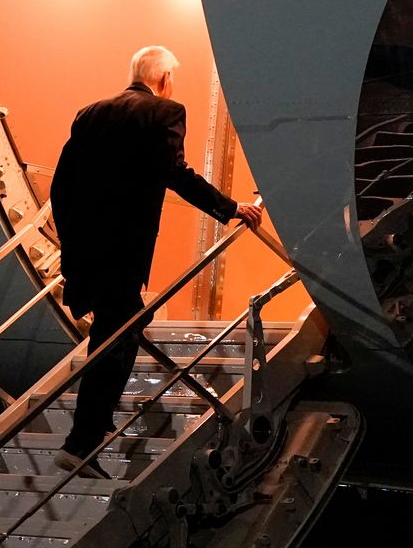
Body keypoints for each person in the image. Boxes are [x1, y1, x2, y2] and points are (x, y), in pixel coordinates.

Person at [50, 45, 262, 479]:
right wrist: (231, 207)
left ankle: (92, 431)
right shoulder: (165, 111)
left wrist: (71, 243)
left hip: (84, 249)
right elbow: (177, 174)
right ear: (164, 78)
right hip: (123, 250)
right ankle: (82, 441)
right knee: (120, 331)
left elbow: (60, 185)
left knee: (116, 329)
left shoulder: (89, 113)